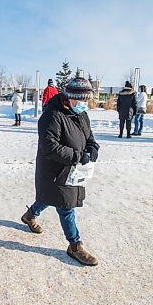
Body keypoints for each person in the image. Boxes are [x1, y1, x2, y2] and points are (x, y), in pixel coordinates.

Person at [20, 76, 100, 266]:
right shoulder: (51, 115)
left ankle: (30, 215)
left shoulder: (81, 114)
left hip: (72, 171)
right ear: (69, 97)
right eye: (81, 100)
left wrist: (93, 148)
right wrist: (78, 155)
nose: (84, 104)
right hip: (55, 170)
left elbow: (89, 137)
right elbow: (50, 146)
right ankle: (74, 245)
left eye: (86, 100)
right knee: (65, 206)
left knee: (49, 198)